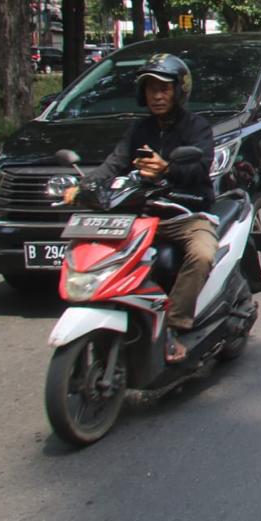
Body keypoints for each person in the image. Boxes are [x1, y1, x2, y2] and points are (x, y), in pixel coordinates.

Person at [64, 54, 215, 364]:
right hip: (142, 214)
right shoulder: (139, 129)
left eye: (164, 88)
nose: (157, 96)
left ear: (178, 91)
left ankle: (175, 325)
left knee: (201, 254)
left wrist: (167, 169)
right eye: (150, 89)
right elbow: (114, 163)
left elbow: (200, 167)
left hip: (185, 213)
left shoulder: (196, 127)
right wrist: (83, 187)